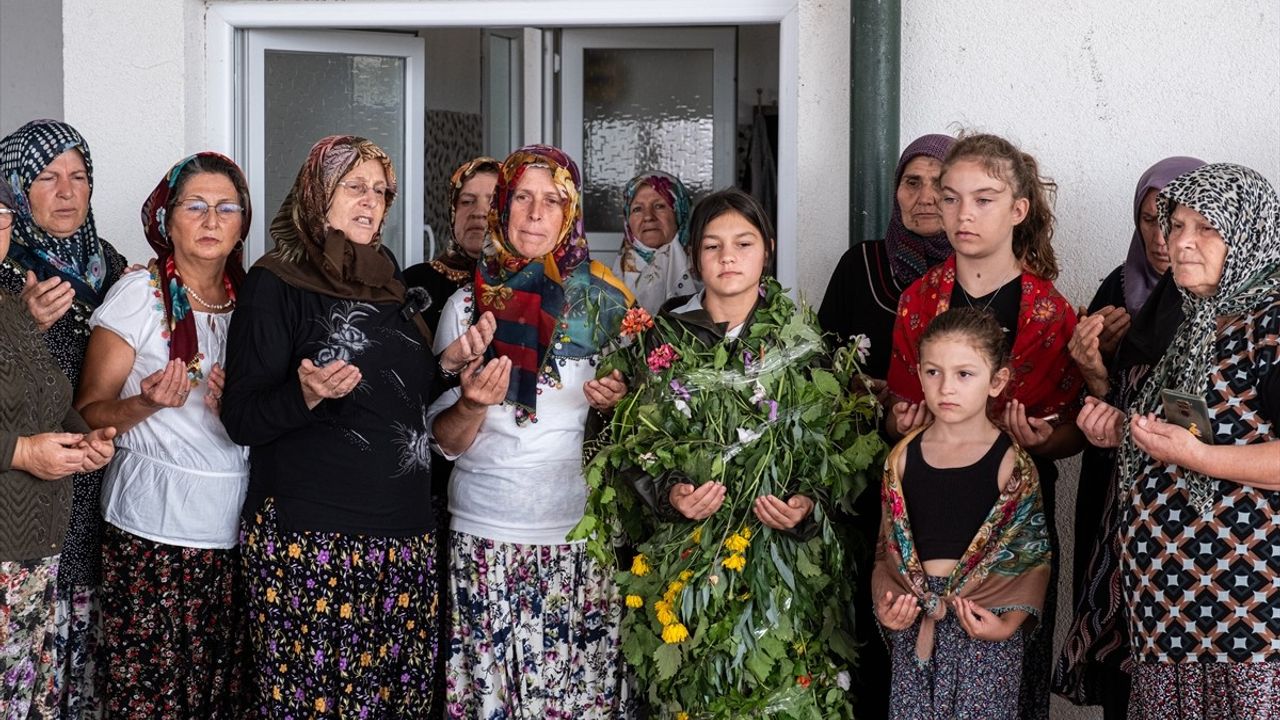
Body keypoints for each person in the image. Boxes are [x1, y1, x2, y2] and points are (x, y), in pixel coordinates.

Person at [221, 135, 486, 718]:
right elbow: (240, 416)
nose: (371, 202)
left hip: (403, 538)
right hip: (310, 541)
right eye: (355, 187)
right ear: (318, 194)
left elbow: (400, 402)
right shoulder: (276, 282)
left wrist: (449, 364)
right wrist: (304, 394)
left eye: (381, 192)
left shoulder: (388, 284)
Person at [428, 145, 633, 719]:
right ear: (503, 207)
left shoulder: (609, 305)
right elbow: (442, 439)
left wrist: (616, 407)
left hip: (580, 538)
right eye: (522, 198)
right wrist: (470, 403)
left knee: (576, 702)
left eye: (553, 200)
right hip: (487, 534)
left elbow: (643, 433)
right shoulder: (468, 305)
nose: (536, 214)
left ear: (571, 213)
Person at [885, 132, 1083, 719]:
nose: (963, 215)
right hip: (927, 520)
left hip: (1010, 533)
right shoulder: (918, 301)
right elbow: (897, 417)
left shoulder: (1049, 312)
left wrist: (1046, 440)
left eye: (984, 199)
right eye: (951, 199)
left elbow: (1073, 431)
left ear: (1018, 210)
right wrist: (900, 420)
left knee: (1005, 689)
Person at [74, 153, 252, 718]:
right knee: (149, 700)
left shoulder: (254, 303)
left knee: (216, 700)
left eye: (226, 208)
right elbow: (84, 416)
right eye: (194, 206)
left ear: (242, 222)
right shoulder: (138, 298)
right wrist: (146, 402)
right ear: (165, 219)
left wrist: (244, 407)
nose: (210, 220)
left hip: (231, 536)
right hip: (150, 538)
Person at [1105, 163, 1280, 718]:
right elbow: (1193, 425)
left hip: (1247, 615)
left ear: (1249, 231)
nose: (1178, 242)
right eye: (1174, 225)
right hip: (1168, 610)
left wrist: (1199, 458)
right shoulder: (1194, 323)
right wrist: (1121, 430)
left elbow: (1206, 447)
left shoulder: (1271, 326)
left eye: (1206, 227)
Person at [1053, 156, 1204, 717]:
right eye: (1153, 220)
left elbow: (1200, 432)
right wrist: (1094, 370)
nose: (1168, 239)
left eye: (1191, 222)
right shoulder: (1118, 289)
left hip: (1198, 520)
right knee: (1126, 656)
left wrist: (1130, 424)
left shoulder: (1228, 312)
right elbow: (1111, 406)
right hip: (1121, 499)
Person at [816, 132, 954, 717]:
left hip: (950, 478)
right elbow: (819, 363)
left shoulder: (974, 273)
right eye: (911, 182)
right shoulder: (861, 264)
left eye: (939, 185)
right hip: (869, 474)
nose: (924, 197)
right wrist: (866, 391)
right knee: (874, 615)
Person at [0, 118, 129, 718]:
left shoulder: (113, 266)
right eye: (47, 177)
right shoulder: (7, 269)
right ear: (16, 188)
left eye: (78, 176)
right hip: (20, 491)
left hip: (95, 465)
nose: (67, 191)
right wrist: (20, 321)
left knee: (85, 624)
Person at [873, 308, 1050, 720]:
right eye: (933, 372)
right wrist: (886, 605)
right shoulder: (900, 459)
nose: (946, 387)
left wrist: (1007, 626)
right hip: (916, 623)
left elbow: (1031, 555)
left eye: (964, 374)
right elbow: (886, 549)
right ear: (917, 373)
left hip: (983, 628)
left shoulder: (1011, 465)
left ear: (997, 381)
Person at [403, 156, 500, 332]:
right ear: (453, 212)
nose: (479, 212)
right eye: (467, 201)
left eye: (493, 202)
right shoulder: (415, 281)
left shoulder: (528, 284)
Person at [612, 170, 697, 314]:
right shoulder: (610, 282)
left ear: (680, 213)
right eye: (637, 209)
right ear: (628, 220)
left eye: (659, 206)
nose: (648, 217)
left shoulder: (705, 269)